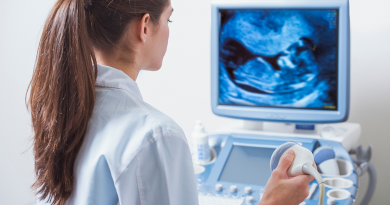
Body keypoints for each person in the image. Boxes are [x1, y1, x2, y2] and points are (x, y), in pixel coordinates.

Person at [27, 0, 316, 204]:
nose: (168, 29)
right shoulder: (154, 136)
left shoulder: (63, 110)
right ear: (144, 27)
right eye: (168, 19)